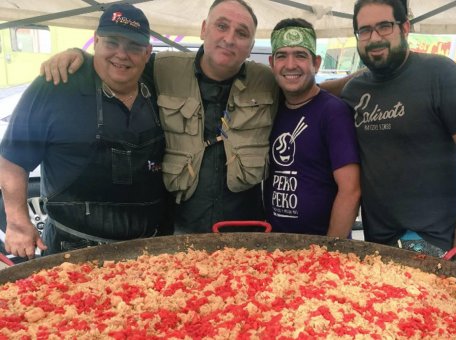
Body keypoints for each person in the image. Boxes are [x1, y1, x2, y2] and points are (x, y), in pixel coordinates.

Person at [42, 0, 280, 234]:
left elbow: (305, 90)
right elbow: (118, 63)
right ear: (203, 29)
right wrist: (79, 56)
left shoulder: (268, 82)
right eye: (221, 26)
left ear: (250, 45)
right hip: (176, 236)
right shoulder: (162, 68)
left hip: (246, 237)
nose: (229, 38)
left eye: (242, 33)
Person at [0, 3, 168, 258]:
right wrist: (17, 222)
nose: (122, 54)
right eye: (112, 42)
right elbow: (12, 161)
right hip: (72, 251)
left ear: (147, 52)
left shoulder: (159, 85)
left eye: (133, 46)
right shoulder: (56, 85)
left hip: (147, 252)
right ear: (96, 41)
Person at [340, 0, 456, 264]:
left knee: (425, 303)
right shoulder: (354, 90)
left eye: (384, 27)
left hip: (433, 238)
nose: (374, 38)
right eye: (364, 30)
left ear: (405, 27)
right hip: (379, 238)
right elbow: (319, 91)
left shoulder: (441, 74)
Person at [265, 18, 360, 237]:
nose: (290, 65)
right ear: (271, 63)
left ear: (316, 63)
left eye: (300, 55)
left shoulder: (333, 112)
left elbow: (351, 190)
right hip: (275, 248)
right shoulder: (271, 109)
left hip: (320, 250)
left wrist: (329, 253)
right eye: (282, 56)